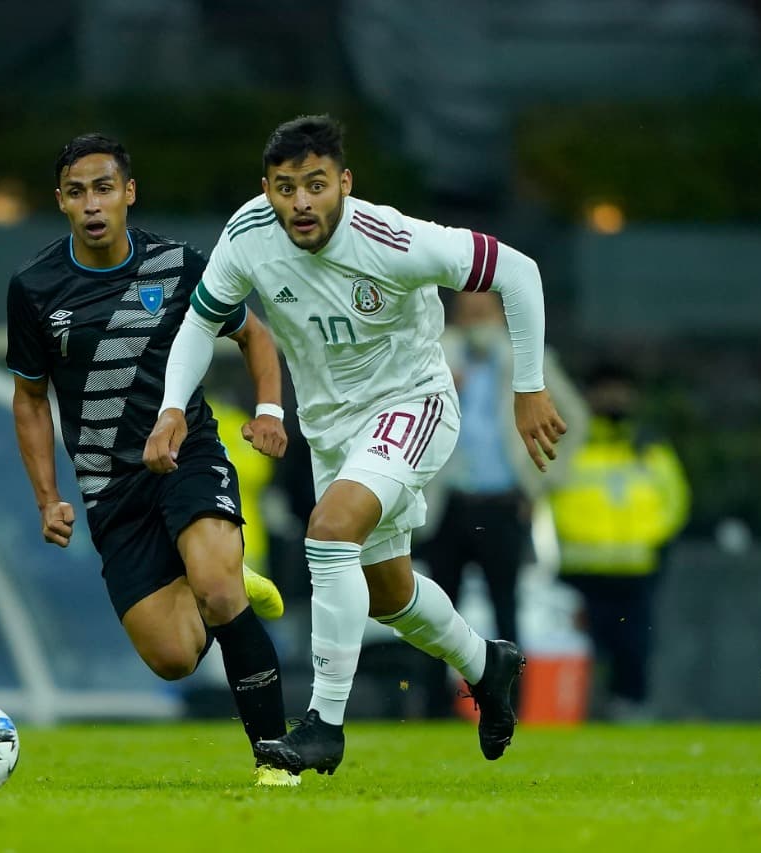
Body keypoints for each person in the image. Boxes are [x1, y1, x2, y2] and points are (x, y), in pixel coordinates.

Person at [145, 115, 567, 775]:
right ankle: (488, 663)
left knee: (330, 530)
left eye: (316, 184)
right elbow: (202, 322)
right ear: (267, 188)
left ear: (344, 182)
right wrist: (172, 406)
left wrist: (529, 386)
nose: (301, 202)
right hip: (332, 430)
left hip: (413, 403)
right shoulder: (248, 235)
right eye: (286, 188)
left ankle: (325, 723)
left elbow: (518, 271)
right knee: (390, 592)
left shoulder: (391, 238)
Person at [6, 134, 296, 786]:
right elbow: (29, 398)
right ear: (60, 202)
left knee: (220, 591)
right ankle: (218, 578)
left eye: (104, 187)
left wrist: (270, 412)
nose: (92, 204)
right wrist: (46, 494)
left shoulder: (181, 265)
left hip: (188, 454)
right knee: (173, 655)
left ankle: (276, 758)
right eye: (77, 192)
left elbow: (254, 335)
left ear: (128, 192)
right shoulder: (34, 288)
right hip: (111, 486)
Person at [418, 290, 590, 717]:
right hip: (447, 502)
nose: (476, 321)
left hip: (504, 502)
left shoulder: (526, 360)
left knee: (506, 607)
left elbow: (574, 419)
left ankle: (511, 706)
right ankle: (433, 711)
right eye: (468, 312)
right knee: (433, 610)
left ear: (500, 315)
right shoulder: (432, 357)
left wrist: (541, 483)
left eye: (484, 312)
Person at [547, 361, 690, 721]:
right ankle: (576, 711)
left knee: (633, 649)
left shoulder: (649, 446)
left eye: (621, 389)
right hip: (579, 572)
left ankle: (630, 713)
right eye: (606, 389)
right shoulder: (571, 441)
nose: (614, 397)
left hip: (634, 570)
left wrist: (651, 541)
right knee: (578, 652)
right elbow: (547, 494)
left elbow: (674, 500)